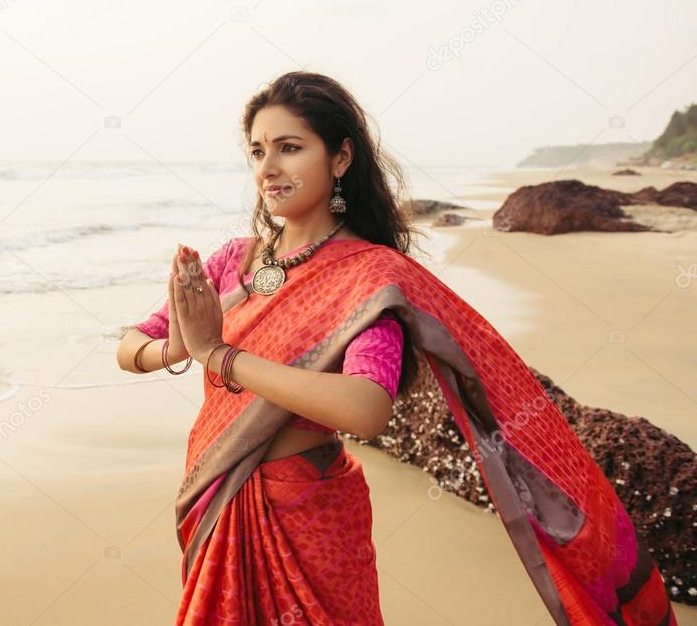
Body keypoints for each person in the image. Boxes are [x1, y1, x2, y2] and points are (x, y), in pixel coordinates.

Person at [117, 72, 677, 625]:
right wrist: (183, 345)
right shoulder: (231, 263)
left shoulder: (369, 275)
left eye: (290, 148)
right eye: (258, 150)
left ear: (340, 158)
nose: (268, 167)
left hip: (305, 515)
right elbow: (130, 345)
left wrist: (219, 354)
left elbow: (366, 407)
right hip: (218, 499)